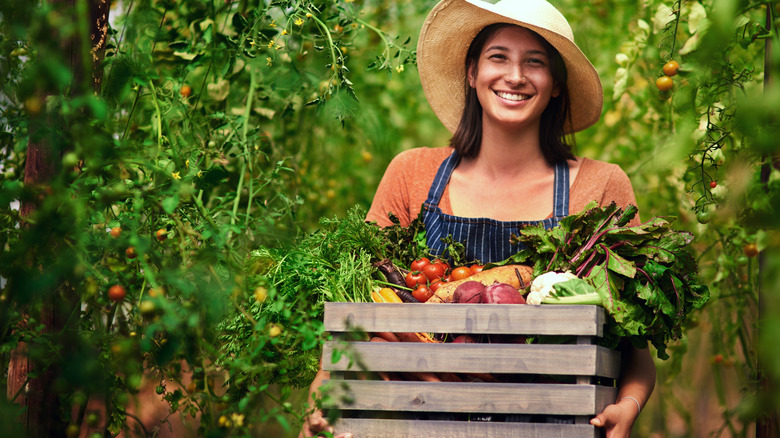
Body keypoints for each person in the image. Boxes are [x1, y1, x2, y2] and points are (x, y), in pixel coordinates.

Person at [301, 0, 655, 437]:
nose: (515, 76)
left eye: (535, 62)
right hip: (419, 423)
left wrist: (629, 406)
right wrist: (320, 400)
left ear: (557, 84)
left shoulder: (601, 188)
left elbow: (636, 345)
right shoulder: (413, 174)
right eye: (498, 57)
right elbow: (355, 318)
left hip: (551, 424)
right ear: (472, 72)